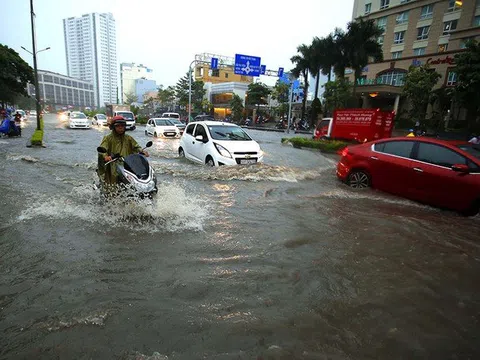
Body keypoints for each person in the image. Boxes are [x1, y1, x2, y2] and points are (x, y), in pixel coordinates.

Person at [97, 116, 149, 186]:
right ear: (113, 127)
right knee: (112, 185)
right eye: (118, 126)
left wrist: (142, 151)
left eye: (122, 126)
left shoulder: (128, 138)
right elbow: (102, 149)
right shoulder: (108, 138)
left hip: (128, 164)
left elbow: (136, 146)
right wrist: (106, 156)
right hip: (113, 165)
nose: (120, 127)